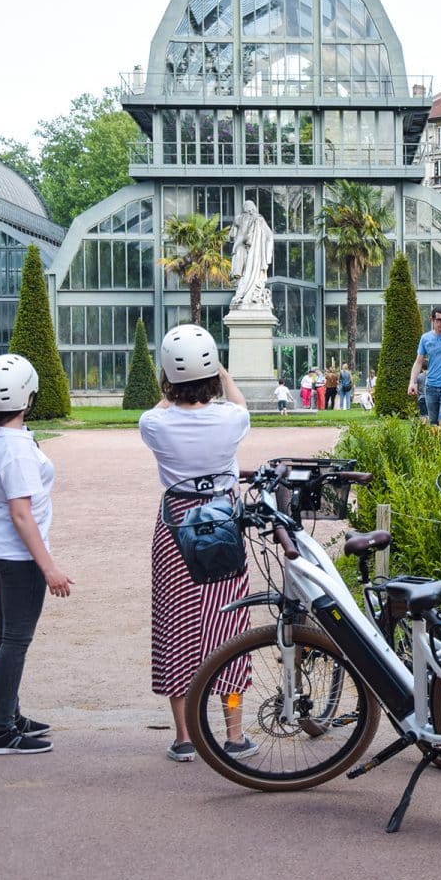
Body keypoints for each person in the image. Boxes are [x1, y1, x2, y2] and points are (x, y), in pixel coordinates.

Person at [138, 325, 256, 763]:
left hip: (174, 528)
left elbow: (161, 406)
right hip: (222, 520)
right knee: (228, 628)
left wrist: (171, 388)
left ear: (168, 377)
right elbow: (240, 403)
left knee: (177, 628)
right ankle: (234, 734)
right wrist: (220, 370)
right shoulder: (231, 419)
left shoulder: (154, 423)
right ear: (212, 373)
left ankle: (185, 737)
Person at [0, 353, 74, 756]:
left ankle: (9, 714)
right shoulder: (15, 448)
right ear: (28, 395)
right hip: (16, 556)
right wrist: (49, 568)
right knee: (15, 639)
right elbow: (21, 514)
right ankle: (2, 732)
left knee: (5, 636)